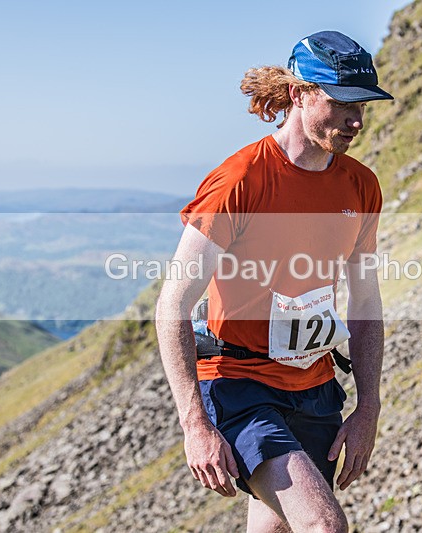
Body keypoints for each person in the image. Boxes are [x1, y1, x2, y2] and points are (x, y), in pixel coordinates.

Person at [155, 31, 392, 532]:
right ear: (299, 94)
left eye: (363, 104)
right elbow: (173, 303)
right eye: (342, 102)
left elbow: (366, 302)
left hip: (316, 386)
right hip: (240, 385)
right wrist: (195, 425)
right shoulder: (241, 180)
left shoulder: (361, 184)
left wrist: (367, 406)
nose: (357, 120)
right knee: (324, 526)